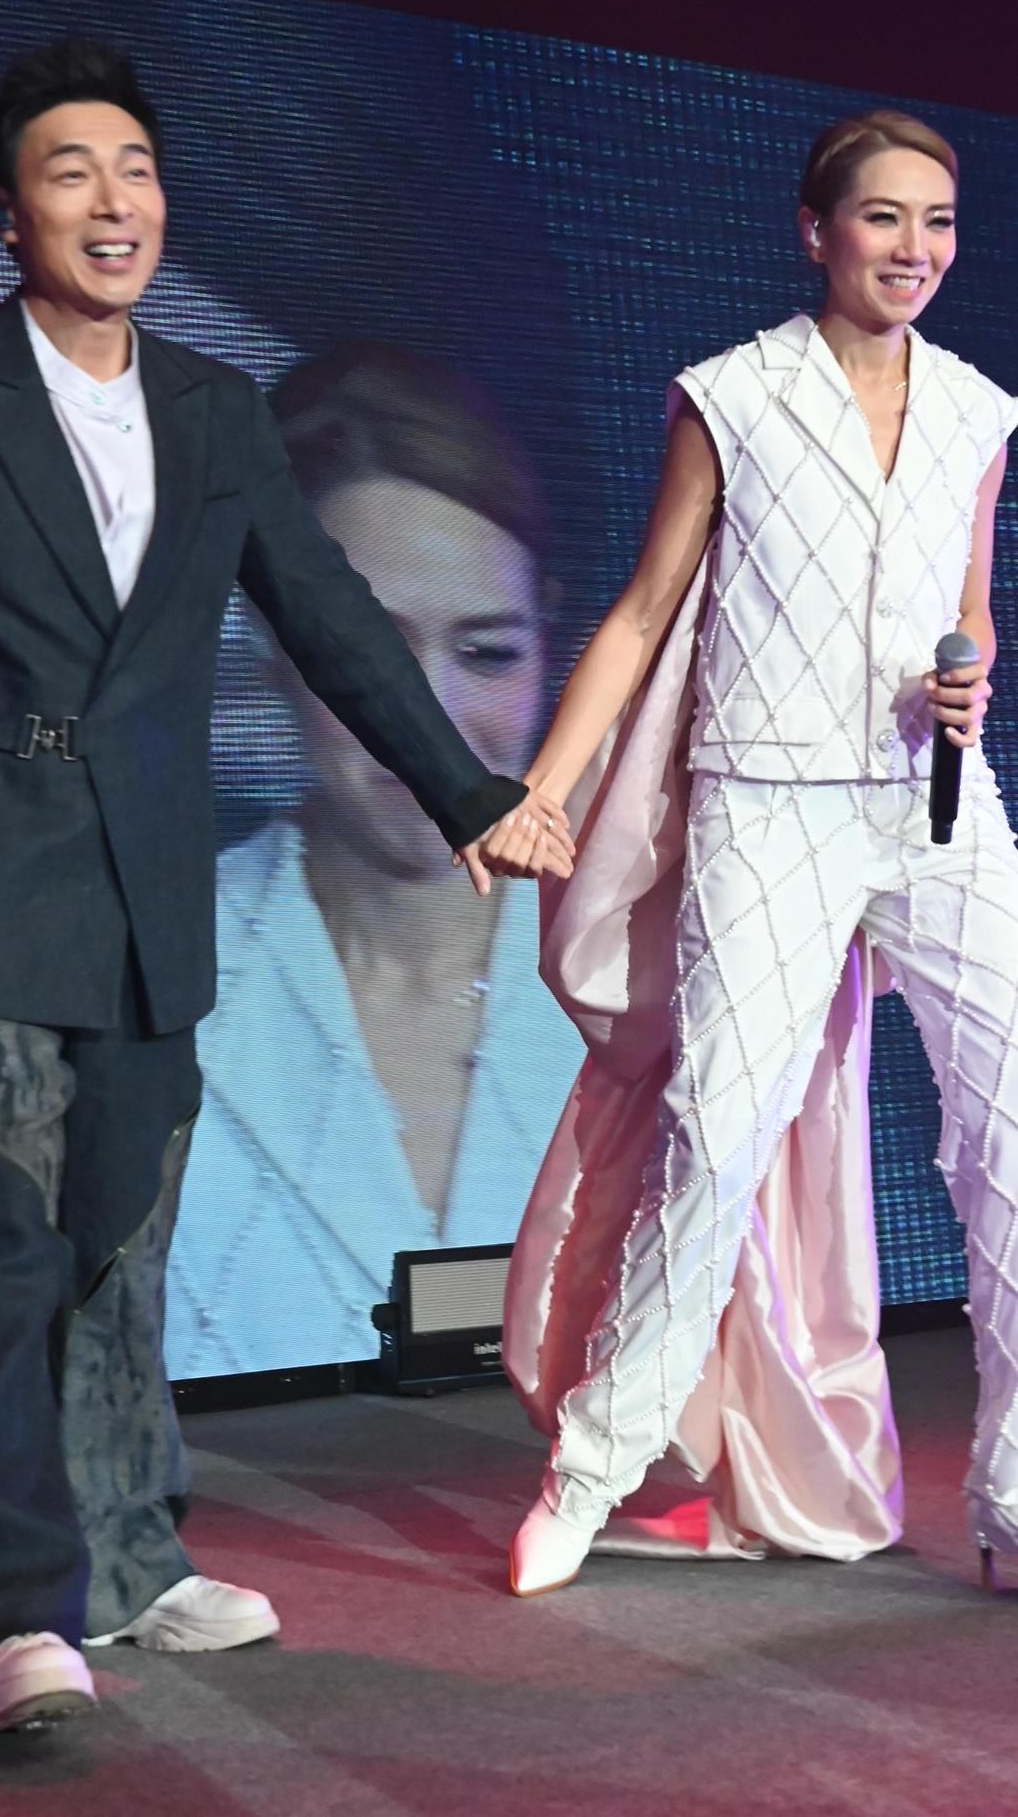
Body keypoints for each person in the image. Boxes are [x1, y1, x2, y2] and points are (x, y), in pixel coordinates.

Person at [0, 36, 571, 1741]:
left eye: (133, 169)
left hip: (151, 892)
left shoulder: (214, 413)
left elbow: (329, 614)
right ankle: (3, 1623)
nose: (112, 200)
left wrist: (467, 793)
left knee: (118, 1246)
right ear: (9, 215)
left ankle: (128, 1558)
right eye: (70, 171)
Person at [490, 109, 1018, 1597]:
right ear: (815, 230)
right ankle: (590, 1468)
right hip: (768, 801)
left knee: (1014, 1127)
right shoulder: (732, 395)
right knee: (716, 1133)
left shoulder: (978, 411)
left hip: (931, 800)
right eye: (882, 217)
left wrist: (971, 671)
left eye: (937, 221)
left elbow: (967, 609)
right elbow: (642, 611)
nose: (913, 248)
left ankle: (1010, 1492)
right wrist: (542, 789)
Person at [166, 343, 585, 1377]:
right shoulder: (143, 974)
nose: (424, 717)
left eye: (486, 652)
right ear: (273, 640)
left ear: (548, 642)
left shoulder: (656, 967)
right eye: (368, 651)